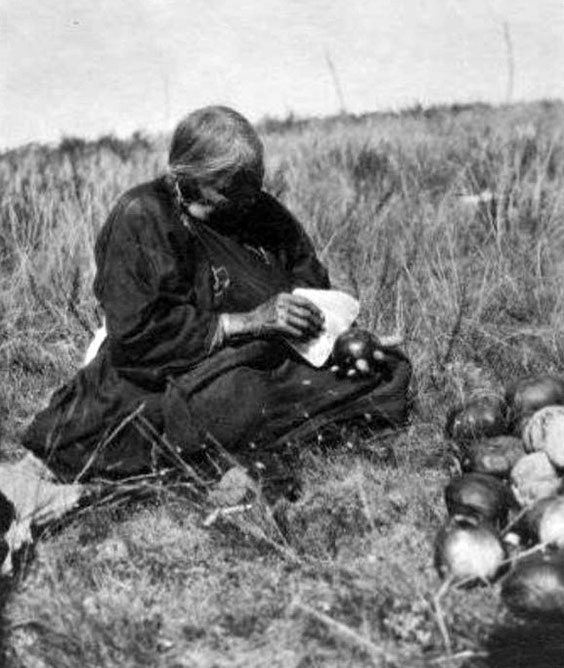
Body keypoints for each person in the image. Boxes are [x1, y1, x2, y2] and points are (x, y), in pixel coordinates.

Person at [21, 106, 411, 493]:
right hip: (172, 373)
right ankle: (243, 444)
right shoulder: (144, 216)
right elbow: (137, 337)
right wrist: (245, 321)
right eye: (231, 188)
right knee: (228, 399)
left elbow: (309, 279)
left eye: (253, 184)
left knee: (383, 368)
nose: (248, 198)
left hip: (270, 358)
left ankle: (247, 442)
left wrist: (335, 336)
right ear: (189, 178)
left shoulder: (260, 209)